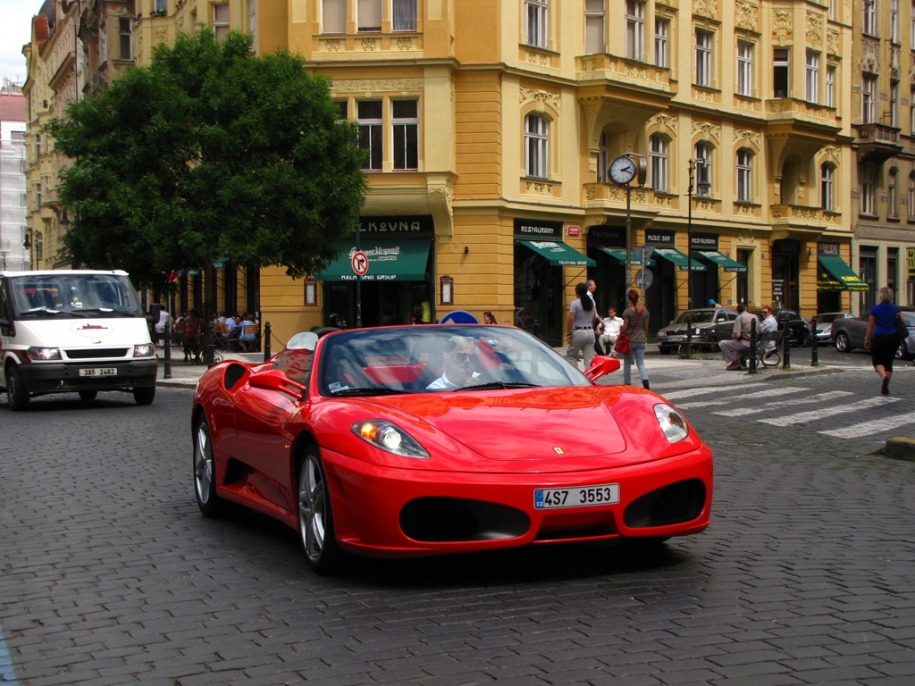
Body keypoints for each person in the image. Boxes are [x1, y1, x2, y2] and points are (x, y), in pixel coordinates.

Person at [865, 286, 901, 395]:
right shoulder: (896, 308)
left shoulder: (875, 309)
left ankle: (883, 376)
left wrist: (867, 339)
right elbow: (903, 320)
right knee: (888, 362)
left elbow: (871, 326)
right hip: (893, 338)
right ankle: (886, 385)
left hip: (879, 338)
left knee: (877, 362)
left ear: (880, 296)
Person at [620, 289, 650, 388]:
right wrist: (645, 337)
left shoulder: (627, 312)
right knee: (640, 362)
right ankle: (645, 379)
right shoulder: (645, 312)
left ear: (629, 299)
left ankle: (627, 382)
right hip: (641, 338)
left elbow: (625, 326)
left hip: (630, 339)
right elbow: (646, 327)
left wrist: (619, 335)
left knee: (627, 362)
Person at [566, 282, 597, 369]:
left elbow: (571, 318)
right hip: (590, 332)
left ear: (577, 292)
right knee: (589, 359)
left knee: (571, 356)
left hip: (579, 331)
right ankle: (590, 379)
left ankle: (575, 378)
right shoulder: (592, 303)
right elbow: (594, 317)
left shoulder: (575, 303)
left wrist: (568, 333)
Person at [719, 303, 760, 370]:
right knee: (735, 344)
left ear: (737, 311)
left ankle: (735, 361)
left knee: (722, 343)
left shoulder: (740, 318)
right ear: (746, 309)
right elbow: (760, 331)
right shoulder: (755, 316)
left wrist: (733, 335)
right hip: (756, 343)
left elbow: (737, 335)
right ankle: (741, 361)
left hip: (746, 343)